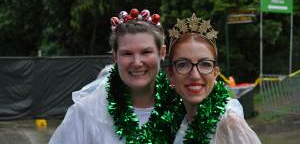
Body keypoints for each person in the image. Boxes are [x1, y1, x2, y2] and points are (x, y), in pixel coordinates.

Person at [49, 8, 178, 143]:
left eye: (146, 52)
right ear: (115, 57)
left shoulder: (183, 110)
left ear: (162, 53)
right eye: (127, 54)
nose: (137, 62)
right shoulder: (86, 113)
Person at [167, 14, 261, 144]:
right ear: (171, 74)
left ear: (215, 72)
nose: (195, 75)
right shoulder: (176, 121)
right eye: (183, 64)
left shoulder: (229, 122)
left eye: (205, 64)